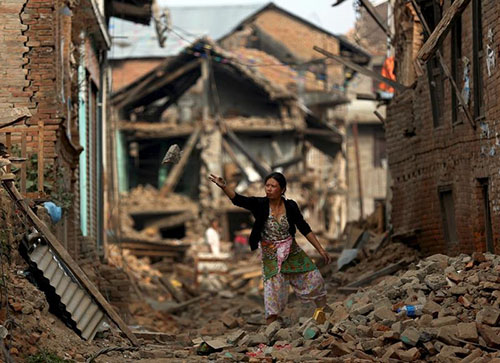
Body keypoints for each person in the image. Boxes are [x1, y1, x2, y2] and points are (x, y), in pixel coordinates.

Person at [209, 171, 332, 325]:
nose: (268, 189)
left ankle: (324, 313)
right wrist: (224, 187)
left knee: (314, 279)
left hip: (291, 250)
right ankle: (271, 327)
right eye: (267, 185)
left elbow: (304, 228)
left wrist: (320, 249)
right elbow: (239, 200)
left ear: (282, 189)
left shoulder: (291, 206)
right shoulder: (260, 204)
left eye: (273, 186)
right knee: (274, 291)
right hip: (271, 254)